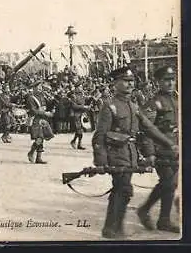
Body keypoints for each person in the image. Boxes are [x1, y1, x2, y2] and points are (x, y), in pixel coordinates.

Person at [92, 67, 176, 239]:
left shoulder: (133, 106)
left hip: (130, 154)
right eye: (125, 81)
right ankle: (112, 228)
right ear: (115, 83)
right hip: (115, 153)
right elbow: (99, 136)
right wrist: (100, 160)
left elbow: (149, 129)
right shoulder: (110, 106)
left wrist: (169, 143)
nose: (130, 84)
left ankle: (114, 228)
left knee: (123, 189)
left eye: (131, 81)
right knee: (123, 188)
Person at [137, 66, 180, 233]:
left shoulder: (176, 100)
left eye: (172, 79)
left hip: (174, 150)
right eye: (166, 80)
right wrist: (150, 153)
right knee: (168, 182)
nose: (170, 83)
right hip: (160, 150)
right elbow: (146, 131)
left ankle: (162, 219)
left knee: (171, 184)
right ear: (158, 82)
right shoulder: (153, 103)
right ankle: (149, 212)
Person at [27, 80, 55, 164]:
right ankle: (31, 152)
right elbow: (33, 111)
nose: (40, 89)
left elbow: (47, 105)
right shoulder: (31, 98)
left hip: (43, 119)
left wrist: (53, 102)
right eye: (38, 87)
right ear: (34, 88)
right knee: (39, 138)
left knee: (43, 138)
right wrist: (45, 113)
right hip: (35, 119)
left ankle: (38, 158)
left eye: (40, 87)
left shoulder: (42, 96)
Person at [69, 83, 89, 150]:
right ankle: (76, 143)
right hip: (75, 115)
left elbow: (84, 102)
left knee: (80, 130)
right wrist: (83, 107)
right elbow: (74, 106)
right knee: (79, 130)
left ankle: (75, 142)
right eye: (80, 87)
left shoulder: (82, 95)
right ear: (76, 88)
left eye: (81, 87)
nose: (81, 88)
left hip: (81, 114)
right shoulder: (73, 96)